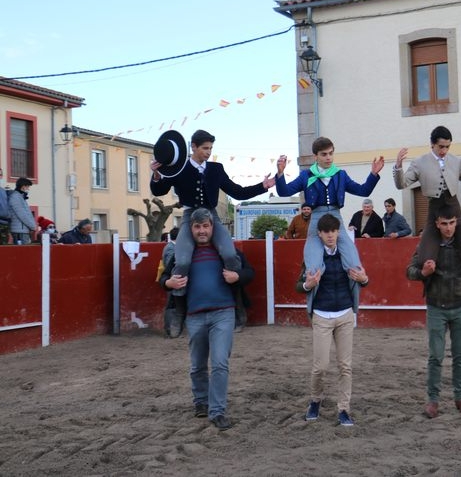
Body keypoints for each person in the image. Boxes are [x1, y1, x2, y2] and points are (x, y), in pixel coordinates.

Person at [160, 208, 254, 430]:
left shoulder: (227, 252)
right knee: (197, 366)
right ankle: (201, 402)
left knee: (220, 363)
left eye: (206, 226)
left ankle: (217, 410)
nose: (202, 231)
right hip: (194, 316)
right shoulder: (183, 254)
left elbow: (250, 273)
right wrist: (168, 283)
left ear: (213, 227)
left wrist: (237, 276)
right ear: (190, 229)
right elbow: (163, 277)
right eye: (197, 227)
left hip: (223, 313)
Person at [150, 130, 274, 296]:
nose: (209, 152)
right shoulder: (179, 168)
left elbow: (237, 192)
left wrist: (262, 186)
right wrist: (156, 175)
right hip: (190, 216)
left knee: (230, 254)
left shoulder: (216, 169)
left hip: (211, 215)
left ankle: (234, 294)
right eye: (205, 148)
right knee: (183, 260)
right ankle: (178, 302)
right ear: (193, 147)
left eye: (210, 148)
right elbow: (159, 191)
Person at [406, 205, 461, 418]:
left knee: (460, 356)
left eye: (452, 223)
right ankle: (433, 400)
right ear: (437, 224)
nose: (449, 228)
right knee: (436, 356)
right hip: (437, 307)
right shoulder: (428, 246)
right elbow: (410, 271)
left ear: (457, 223)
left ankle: (460, 398)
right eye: (444, 224)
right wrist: (423, 272)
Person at [296, 214, 369, 427]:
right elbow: (299, 286)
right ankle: (315, 400)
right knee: (320, 366)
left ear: (339, 232)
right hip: (322, 315)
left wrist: (365, 279)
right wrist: (308, 284)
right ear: (319, 234)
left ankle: (344, 409)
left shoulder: (347, 257)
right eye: (326, 232)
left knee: (345, 366)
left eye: (333, 231)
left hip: (345, 314)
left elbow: (362, 278)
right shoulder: (313, 259)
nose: (330, 235)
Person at [394, 125, 461, 263]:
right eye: (441, 146)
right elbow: (401, 184)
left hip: (454, 207)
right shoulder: (419, 163)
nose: (444, 151)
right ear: (432, 145)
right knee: (424, 259)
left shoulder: (456, 161)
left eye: (447, 147)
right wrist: (398, 166)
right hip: (434, 209)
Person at [276, 137, 383, 274]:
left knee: (355, 266)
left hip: (336, 217)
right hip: (316, 219)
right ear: (316, 156)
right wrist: (280, 173)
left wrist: (373, 174)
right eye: (324, 154)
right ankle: (312, 286)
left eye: (331, 153)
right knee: (312, 269)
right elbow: (285, 192)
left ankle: (353, 293)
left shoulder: (341, 175)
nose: (328, 157)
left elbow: (363, 191)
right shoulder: (306, 175)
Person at [8, 177, 37, 245]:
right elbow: (22, 215)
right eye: (27, 187)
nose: (28, 189)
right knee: (23, 252)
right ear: (23, 186)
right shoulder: (15, 197)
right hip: (20, 231)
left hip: (22, 230)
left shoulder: (20, 197)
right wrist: (33, 226)